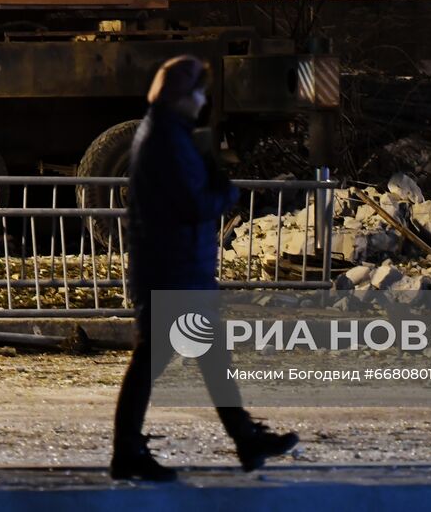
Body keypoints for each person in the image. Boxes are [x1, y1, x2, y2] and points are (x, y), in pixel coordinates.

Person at [111, 55, 298, 482]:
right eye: (197, 91)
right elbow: (191, 204)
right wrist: (224, 194)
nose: (202, 100)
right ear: (180, 95)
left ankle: (244, 439)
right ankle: (129, 452)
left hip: (173, 267)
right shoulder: (166, 140)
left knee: (205, 357)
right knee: (157, 360)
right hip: (172, 270)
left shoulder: (165, 134)